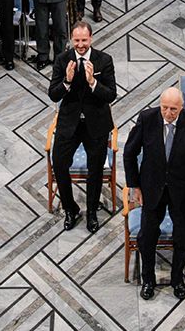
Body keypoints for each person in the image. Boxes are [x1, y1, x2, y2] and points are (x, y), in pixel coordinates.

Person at [121, 86, 185, 302]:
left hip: (182, 191)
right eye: (165, 108)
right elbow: (129, 153)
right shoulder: (147, 118)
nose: (168, 114)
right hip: (152, 189)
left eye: (173, 109)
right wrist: (135, 186)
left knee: (184, 238)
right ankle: (148, 279)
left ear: (182, 107)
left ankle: (177, 278)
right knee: (147, 237)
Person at [48, 21, 116, 232]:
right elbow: (53, 94)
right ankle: (71, 209)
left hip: (96, 123)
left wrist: (93, 82)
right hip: (70, 123)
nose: (80, 44)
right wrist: (67, 81)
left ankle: (92, 211)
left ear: (91, 39)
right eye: (76, 40)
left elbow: (111, 95)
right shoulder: (62, 60)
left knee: (95, 170)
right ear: (71, 39)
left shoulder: (104, 61)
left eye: (84, 40)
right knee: (58, 164)